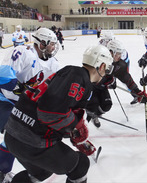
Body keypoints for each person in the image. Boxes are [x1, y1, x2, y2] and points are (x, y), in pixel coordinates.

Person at [4, 45, 113, 183]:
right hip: (32, 140)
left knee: (41, 172)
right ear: (102, 66)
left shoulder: (69, 73)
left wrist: (74, 134)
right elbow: (49, 113)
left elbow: (55, 109)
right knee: (80, 165)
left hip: (13, 135)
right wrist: (76, 127)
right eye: (107, 69)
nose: (106, 73)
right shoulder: (78, 76)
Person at [0, 28, 60, 182]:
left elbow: (55, 87)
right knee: (15, 133)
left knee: (17, 136)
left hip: (22, 105)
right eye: (51, 44)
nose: (54, 47)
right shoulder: (23, 52)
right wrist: (17, 87)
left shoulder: (53, 63)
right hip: (4, 98)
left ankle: (2, 169)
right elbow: (3, 75)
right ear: (41, 44)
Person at [86, 39, 147, 128]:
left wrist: (137, 92)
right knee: (93, 104)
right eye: (118, 53)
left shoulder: (120, 65)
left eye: (120, 53)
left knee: (106, 105)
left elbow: (127, 79)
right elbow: (90, 75)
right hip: (90, 87)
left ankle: (94, 115)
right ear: (111, 52)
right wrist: (108, 80)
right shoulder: (98, 59)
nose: (120, 56)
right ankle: (81, 123)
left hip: (102, 87)